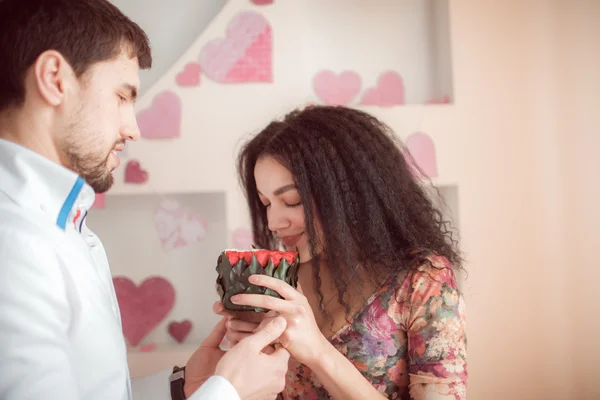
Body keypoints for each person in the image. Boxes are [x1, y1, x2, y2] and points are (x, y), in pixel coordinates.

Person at [0, 1, 290, 399]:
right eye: (122, 96)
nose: (133, 128)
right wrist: (230, 392)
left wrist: (183, 388)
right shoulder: (14, 243)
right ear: (54, 79)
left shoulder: (60, 225)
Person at [215, 105, 468, 399]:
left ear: (350, 194)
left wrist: (319, 353)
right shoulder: (282, 285)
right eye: (266, 204)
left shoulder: (424, 282)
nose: (273, 223)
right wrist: (251, 362)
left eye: (292, 200)